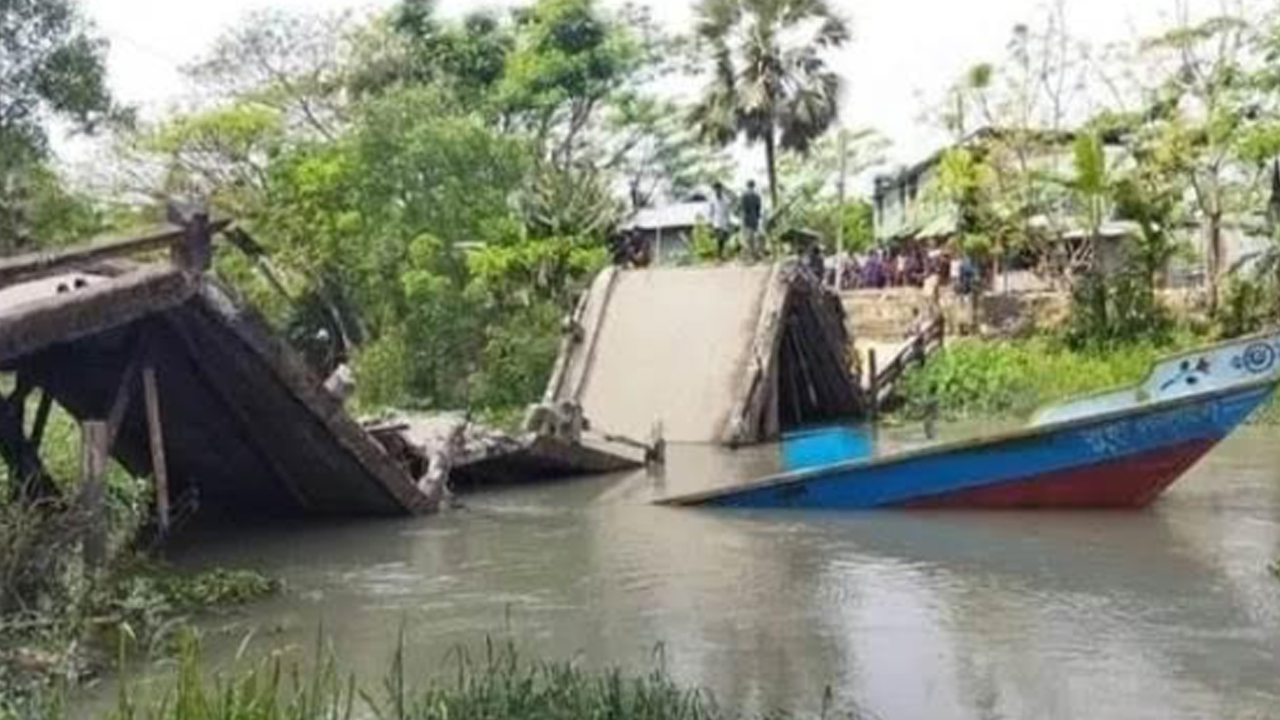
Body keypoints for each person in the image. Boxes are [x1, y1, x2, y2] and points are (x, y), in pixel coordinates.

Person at [740, 180, 763, 261]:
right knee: (754, 237)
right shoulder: (757, 196)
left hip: (747, 219)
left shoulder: (744, 196)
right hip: (754, 218)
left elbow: (743, 209)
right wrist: (757, 216)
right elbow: (758, 208)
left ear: (747, 186)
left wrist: (744, 219)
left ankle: (752, 254)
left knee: (749, 238)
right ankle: (754, 254)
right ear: (754, 186)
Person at [709, 182, 732, 260]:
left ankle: (721, 254)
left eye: (718, 188)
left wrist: (729, 221)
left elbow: (728, 211)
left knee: (723, 239)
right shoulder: (712, 198)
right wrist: (711, 222)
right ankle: (719, 255)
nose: (717, 190)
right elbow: (711, 211)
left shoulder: (726, 198)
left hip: (724, 221)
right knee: (719, 238)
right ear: (714, 190)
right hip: (716, 221)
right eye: (715, 189)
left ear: (721, 189)